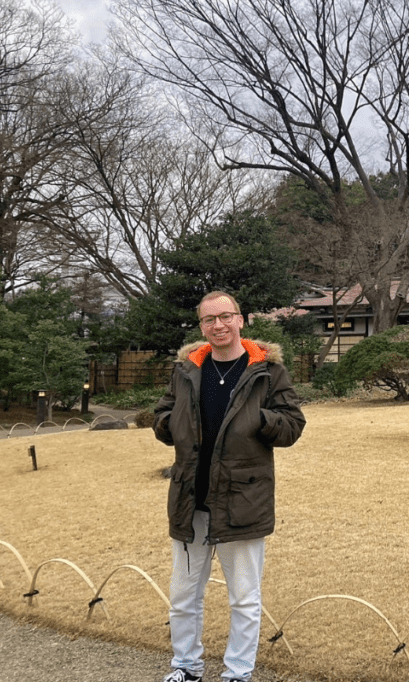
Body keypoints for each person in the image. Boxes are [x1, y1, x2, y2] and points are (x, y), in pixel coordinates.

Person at [154, 291, 306, 682]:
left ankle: (238, 673)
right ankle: (186, 668)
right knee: (184, 597)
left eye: (225, 317)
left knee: (244, 598)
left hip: (243, 499)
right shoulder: (187, 369)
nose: (218, 326)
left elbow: (292, 425)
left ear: (241, 320)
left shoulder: (267, 372)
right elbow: (164, 413)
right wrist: (168, 425)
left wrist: (260, 419)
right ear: (201, 326)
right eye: (209, 320)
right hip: (191, 500)